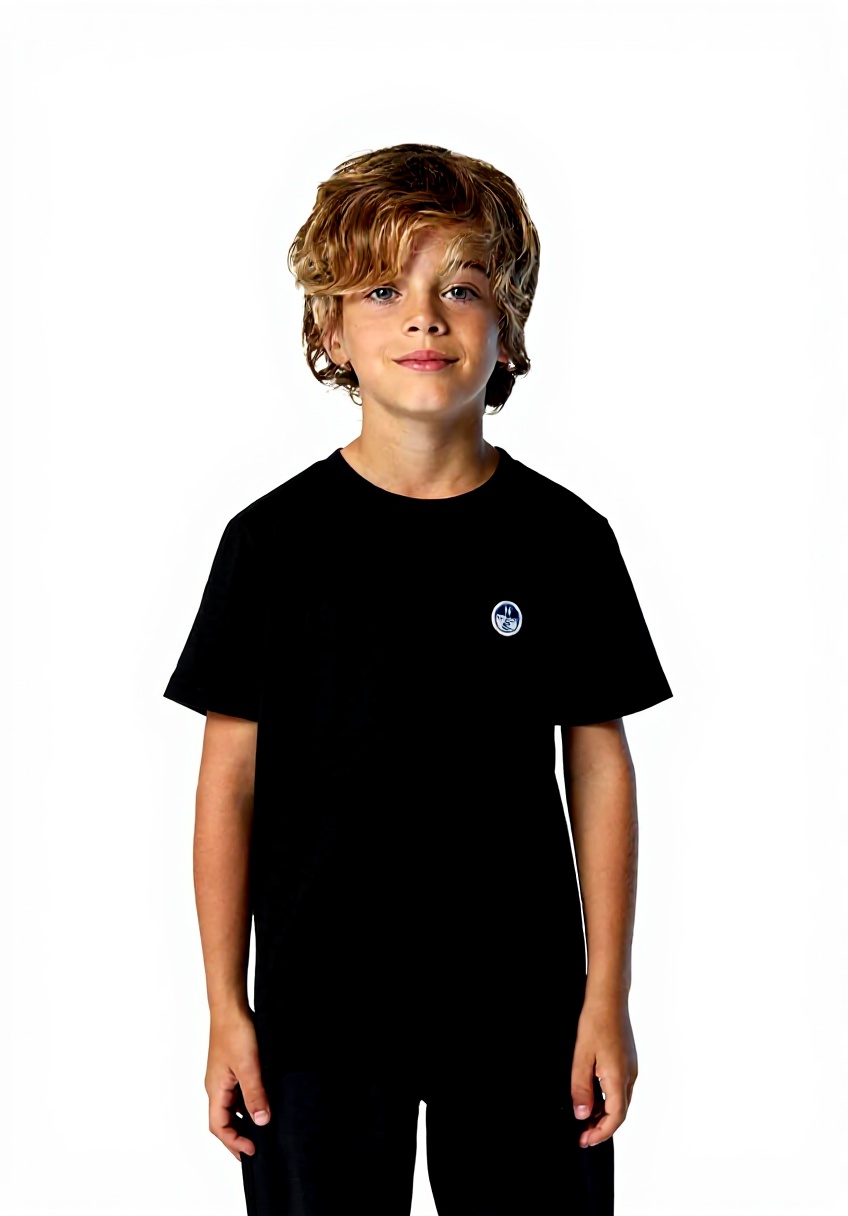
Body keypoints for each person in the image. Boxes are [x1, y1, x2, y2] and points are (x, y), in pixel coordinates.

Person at [163, 143, 673, 1216]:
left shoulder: (564, 542)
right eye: (383, 290)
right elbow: (227, 784)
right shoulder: (271, 545)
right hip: (316, 1014)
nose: (425, 319)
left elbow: (598, 767)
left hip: (524, 1010)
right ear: (328, 329)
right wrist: (223, 1005)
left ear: (509, 328)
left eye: (462, 288)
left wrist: (606, 995)